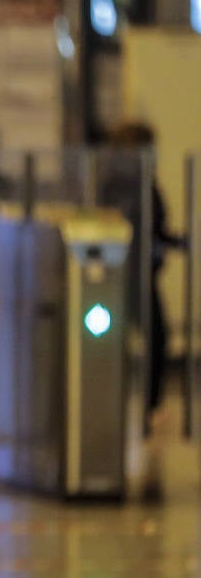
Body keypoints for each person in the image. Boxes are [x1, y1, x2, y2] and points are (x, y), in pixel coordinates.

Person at [100, 120, 184, 435]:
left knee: (147, 340)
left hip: (134, 273)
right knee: (151, 340)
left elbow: (153, 230)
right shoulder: (128, 184)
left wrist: (175, 242)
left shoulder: (127, 181)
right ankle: (141, 408)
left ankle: (142, 408)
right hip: (130, 275)